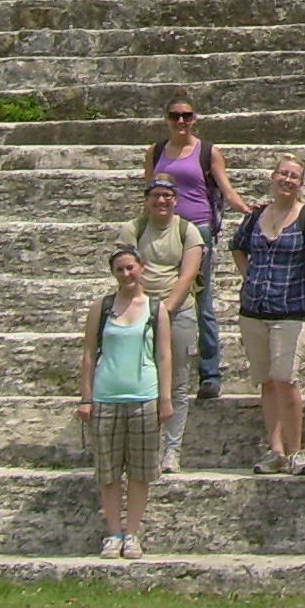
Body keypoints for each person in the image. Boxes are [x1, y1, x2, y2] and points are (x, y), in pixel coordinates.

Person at [230, 154, 305, 476]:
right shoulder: (255, 216)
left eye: (294, 176)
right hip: (253, 309)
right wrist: (248, 275)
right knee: (266, 381)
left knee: (286, 378)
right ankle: (274, 450)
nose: (287, 180)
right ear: (273, 176)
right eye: (283, 173)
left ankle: (295, 450)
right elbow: (237, 246)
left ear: (301, 184)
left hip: (291, 308)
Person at [143, 92, 249, 399]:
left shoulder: (208, 151)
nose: (180, 121)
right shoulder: (156, 151)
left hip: (197, 231)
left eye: (186, 116)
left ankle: (209, 373)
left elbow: (226, 189)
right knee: (155, 295)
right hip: (164, 230)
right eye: (175, 115)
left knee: (202, 301)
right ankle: (156, 369)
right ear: (166, 119)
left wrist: (247, 210)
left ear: (195, 119)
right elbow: (149, 192)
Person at [76, 247, 173, 559]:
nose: (126, 274)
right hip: (106, 397)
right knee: (108, 471)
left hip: (144, 396)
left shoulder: (156, 310)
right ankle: (114, 533)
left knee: (140, 472)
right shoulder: (101, 307)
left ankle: (132, 533)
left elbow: (164, 356)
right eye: (120, 269)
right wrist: (86, 397)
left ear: (141, 268)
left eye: (130, 268)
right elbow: (89, 354)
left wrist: (165, 399)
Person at [126, 175, 203, 473]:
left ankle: (172, 450)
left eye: (167, 195)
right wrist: (144, 306)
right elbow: (126, 269)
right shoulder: (133, 229)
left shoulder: (188, 231)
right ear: (147, 199)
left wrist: (166, 309)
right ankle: (143, 448)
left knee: (177, 384)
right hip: (139, 308)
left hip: (178, 310)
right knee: (141, 380)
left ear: (176, 199)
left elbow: (188, 274)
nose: (161, 201)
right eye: (156, 195)